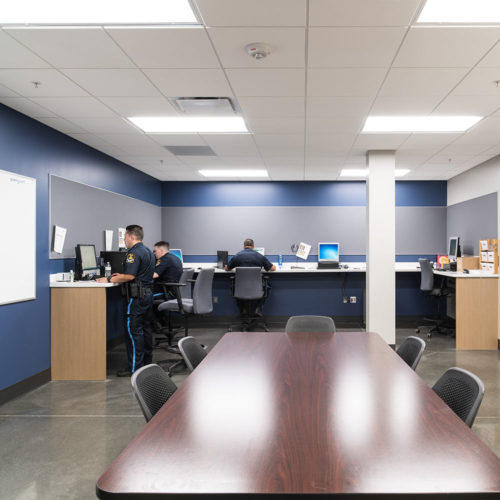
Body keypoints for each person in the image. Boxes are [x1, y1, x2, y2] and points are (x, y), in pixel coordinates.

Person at [97, 224, 155, 377]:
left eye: (124, 238)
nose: (124, 241)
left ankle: (135, 368)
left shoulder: (133, 253)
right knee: (145, 331)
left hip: (135, 298)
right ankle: (147, 364)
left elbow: (130, 276)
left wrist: (108, 278)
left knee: (133, 332)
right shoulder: (148, 251)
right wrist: (118, 275)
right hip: (147, 295)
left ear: (131, 236)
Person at [226, 238, 275, 326]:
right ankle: (257, 309)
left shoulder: (237, 256)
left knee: (233, 286)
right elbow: (272, 268)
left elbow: (227, 269)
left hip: (240, 289)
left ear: (244, 246)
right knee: (268, 286)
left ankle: (243, 310)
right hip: (256, 288)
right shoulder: (259, 256)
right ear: (253, 247)